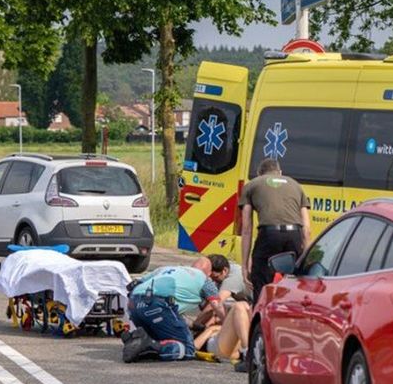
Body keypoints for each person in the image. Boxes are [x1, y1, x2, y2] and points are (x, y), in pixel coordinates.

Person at [122, 257, 229, 363]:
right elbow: (217, 305)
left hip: (134, 304)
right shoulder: (205, 280)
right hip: (158, 305)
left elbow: (132, 285)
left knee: (164, 338)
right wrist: (227, 324)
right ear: (209, 273)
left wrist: (194, 325)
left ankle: (139, 342)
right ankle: (150, 345)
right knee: (187, 349)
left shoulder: (166, 269)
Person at [240, 158, 311, 304]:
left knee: (261, 282)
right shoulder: (296, 186)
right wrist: (306, 258)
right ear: (280, 172)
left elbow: (246, 229)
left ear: (260, 174)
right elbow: (306, 228)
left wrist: (245, 265)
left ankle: (260, 319)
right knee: (294, 282)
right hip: (294, 235)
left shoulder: (251, 185)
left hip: (269, 235)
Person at [194, 300, 253, 372]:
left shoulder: (237, 328)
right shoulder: (208, 330)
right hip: (217, 347)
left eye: (217, 316)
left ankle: (248, 352)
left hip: (235, 350)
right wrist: (211, 329)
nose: (216, 319)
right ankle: (247, 353)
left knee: (245, 305)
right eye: (215, 316)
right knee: (239, 306)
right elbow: (195, 346)